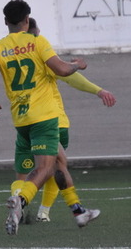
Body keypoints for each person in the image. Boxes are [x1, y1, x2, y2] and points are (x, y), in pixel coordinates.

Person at [0, 0, 98, 235]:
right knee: (44, 168)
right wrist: (77, 64)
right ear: (27, 20)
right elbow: (62, 70)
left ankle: (78, 211)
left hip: (21, 119)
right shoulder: (37, 42)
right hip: (44, 116)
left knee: (59, 161)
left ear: (5, 21)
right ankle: (20, 201)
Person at [22, 17, 116, 223]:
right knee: (56, 165)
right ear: (33, 31)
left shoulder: (8, 53)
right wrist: (96, 88)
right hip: (50, 120)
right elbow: (68, 74)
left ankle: (70, 210)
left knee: (30, 169)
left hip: (23, 121)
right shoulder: (39, 51)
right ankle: (33, 207)